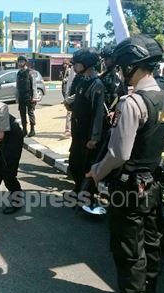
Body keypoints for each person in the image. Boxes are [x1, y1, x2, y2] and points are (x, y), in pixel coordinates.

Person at [86, 35, 164, 293]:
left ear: (130, 65)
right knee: (151, 243)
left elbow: (119, 153)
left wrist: (96, 172)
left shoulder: (133, 103)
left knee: (128, 251)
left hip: (128, 189)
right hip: (153, 183)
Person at [68, 47, 105, 194]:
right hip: (77, 132)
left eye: (76, 63)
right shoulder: (83, 81)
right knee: (74, 164)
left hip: (87, 135)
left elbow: (98, 114)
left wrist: (94, 138)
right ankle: (77, 189)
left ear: (86, 64)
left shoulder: (96, 84)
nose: (74, 66)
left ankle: (86, 197)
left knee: (85, 166)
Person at [16, 55, 38, 137]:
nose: (20, 63)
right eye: (19, 61)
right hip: (21, 96)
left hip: (29, 96)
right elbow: (17, 87)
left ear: (25, 62)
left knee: (30, 113)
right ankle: (24, 130)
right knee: (22, 114)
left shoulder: (30, 72)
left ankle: (32, 130)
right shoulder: (18, 73)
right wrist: (17, 97)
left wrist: (34, 97)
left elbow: (34, 85)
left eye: (22, 61)